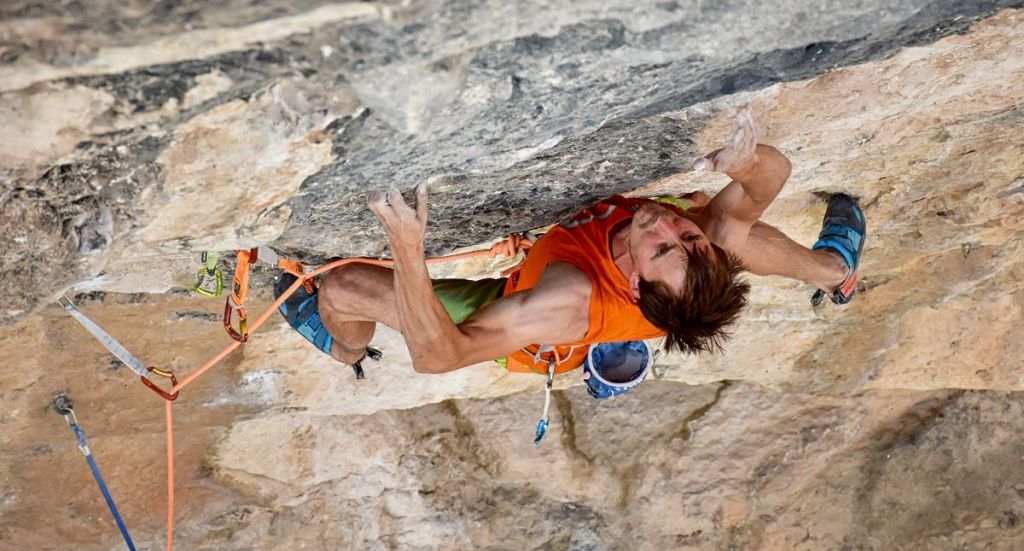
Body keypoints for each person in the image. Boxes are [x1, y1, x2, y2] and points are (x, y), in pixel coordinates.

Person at [275, 109, 866, 378]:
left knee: (343, 287)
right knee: (734, 229)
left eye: (662, 245)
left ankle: (344, 351)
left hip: (526, 331)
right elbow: (770, 179)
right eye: (683, 236)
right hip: (668, 285)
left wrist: (407, 247)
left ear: (634, 281)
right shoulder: (694, 248)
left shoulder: (566, 299)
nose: (664, 222)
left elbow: (439, 357)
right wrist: (746, 159)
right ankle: (832, 269)